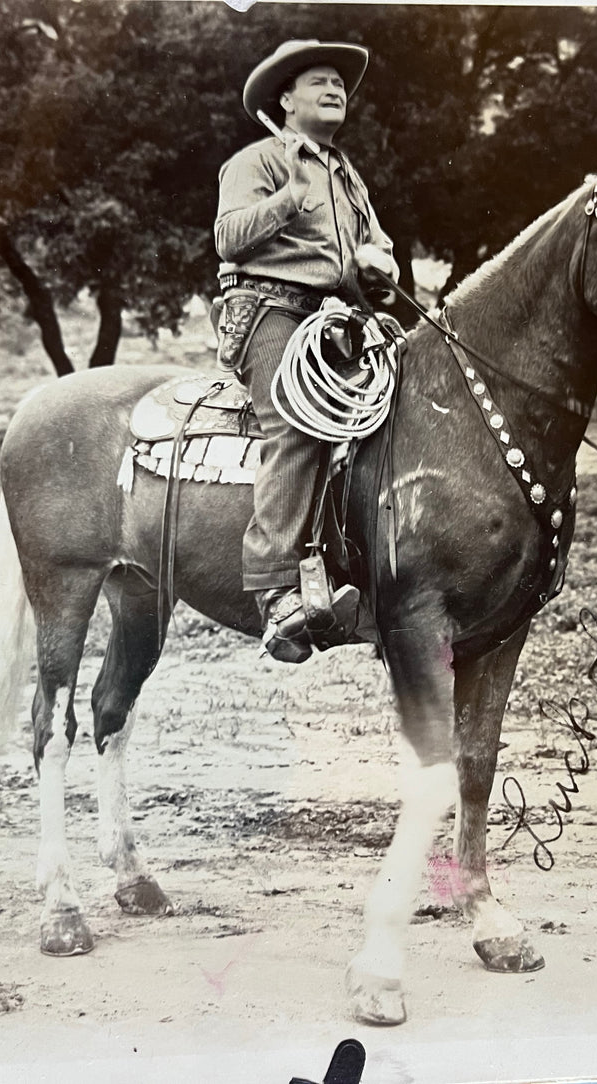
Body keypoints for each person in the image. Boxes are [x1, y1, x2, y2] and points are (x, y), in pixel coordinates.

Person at [214, 39, 399, 663]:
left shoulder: (347, 175)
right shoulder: (257, 161)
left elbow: (375, 248)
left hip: (335, 316)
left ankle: (380, 571)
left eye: (340, 83)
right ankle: (276, 595)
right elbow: (228, 237)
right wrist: (290, 197)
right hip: (266, 311)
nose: (334, 89)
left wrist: (378, 267)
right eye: (319, 81)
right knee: (298, 421)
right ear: (285, 100)